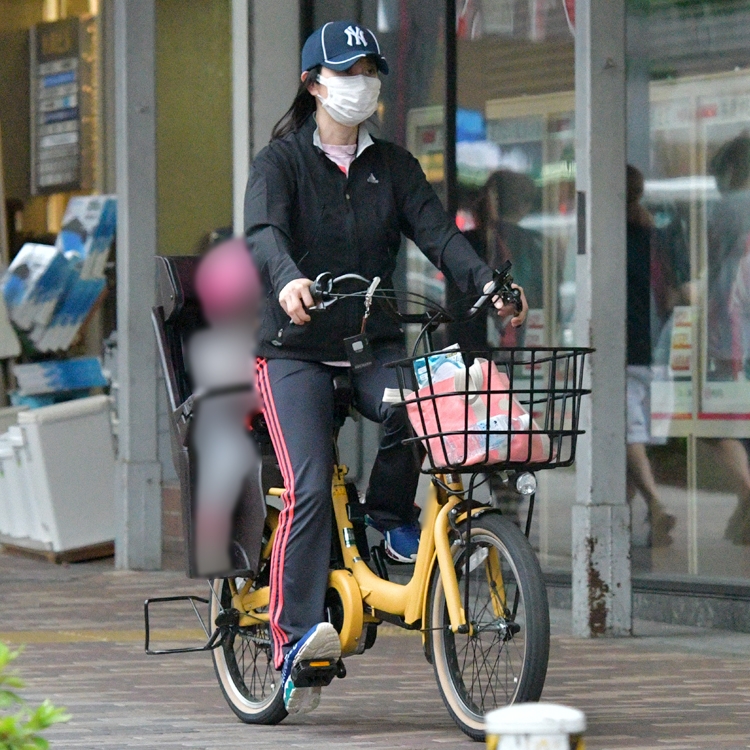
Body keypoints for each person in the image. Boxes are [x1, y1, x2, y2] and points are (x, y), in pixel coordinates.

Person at [244, 20, 528, 715]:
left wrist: (488, 285)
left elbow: (437, 233)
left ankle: (389, 515)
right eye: (347, 70)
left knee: (420, 407)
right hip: (294, 353)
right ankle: (290, 637)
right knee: (310, 485)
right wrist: (285, 280)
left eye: (370, 69)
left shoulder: (392, 165)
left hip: (370, 346)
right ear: (313, 83)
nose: (361, 82)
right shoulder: (280, 161)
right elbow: (264, 232)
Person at [188, 238, 262, 576]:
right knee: (226, 465)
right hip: (227, 430)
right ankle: (213, 544)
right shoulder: (212, 346)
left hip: (262, 426)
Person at [625, 165, 676, 547]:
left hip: (621, 350)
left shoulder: (612, 237)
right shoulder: (652, 235)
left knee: (629, 435)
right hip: (655, 347)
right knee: (632, 434)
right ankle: (628, 520)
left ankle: (655, 504)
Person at [704, 133, 750, 545]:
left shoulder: (725, 210)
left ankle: (748, 492)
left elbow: (711, 270)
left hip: (732, 335)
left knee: (715, 422)